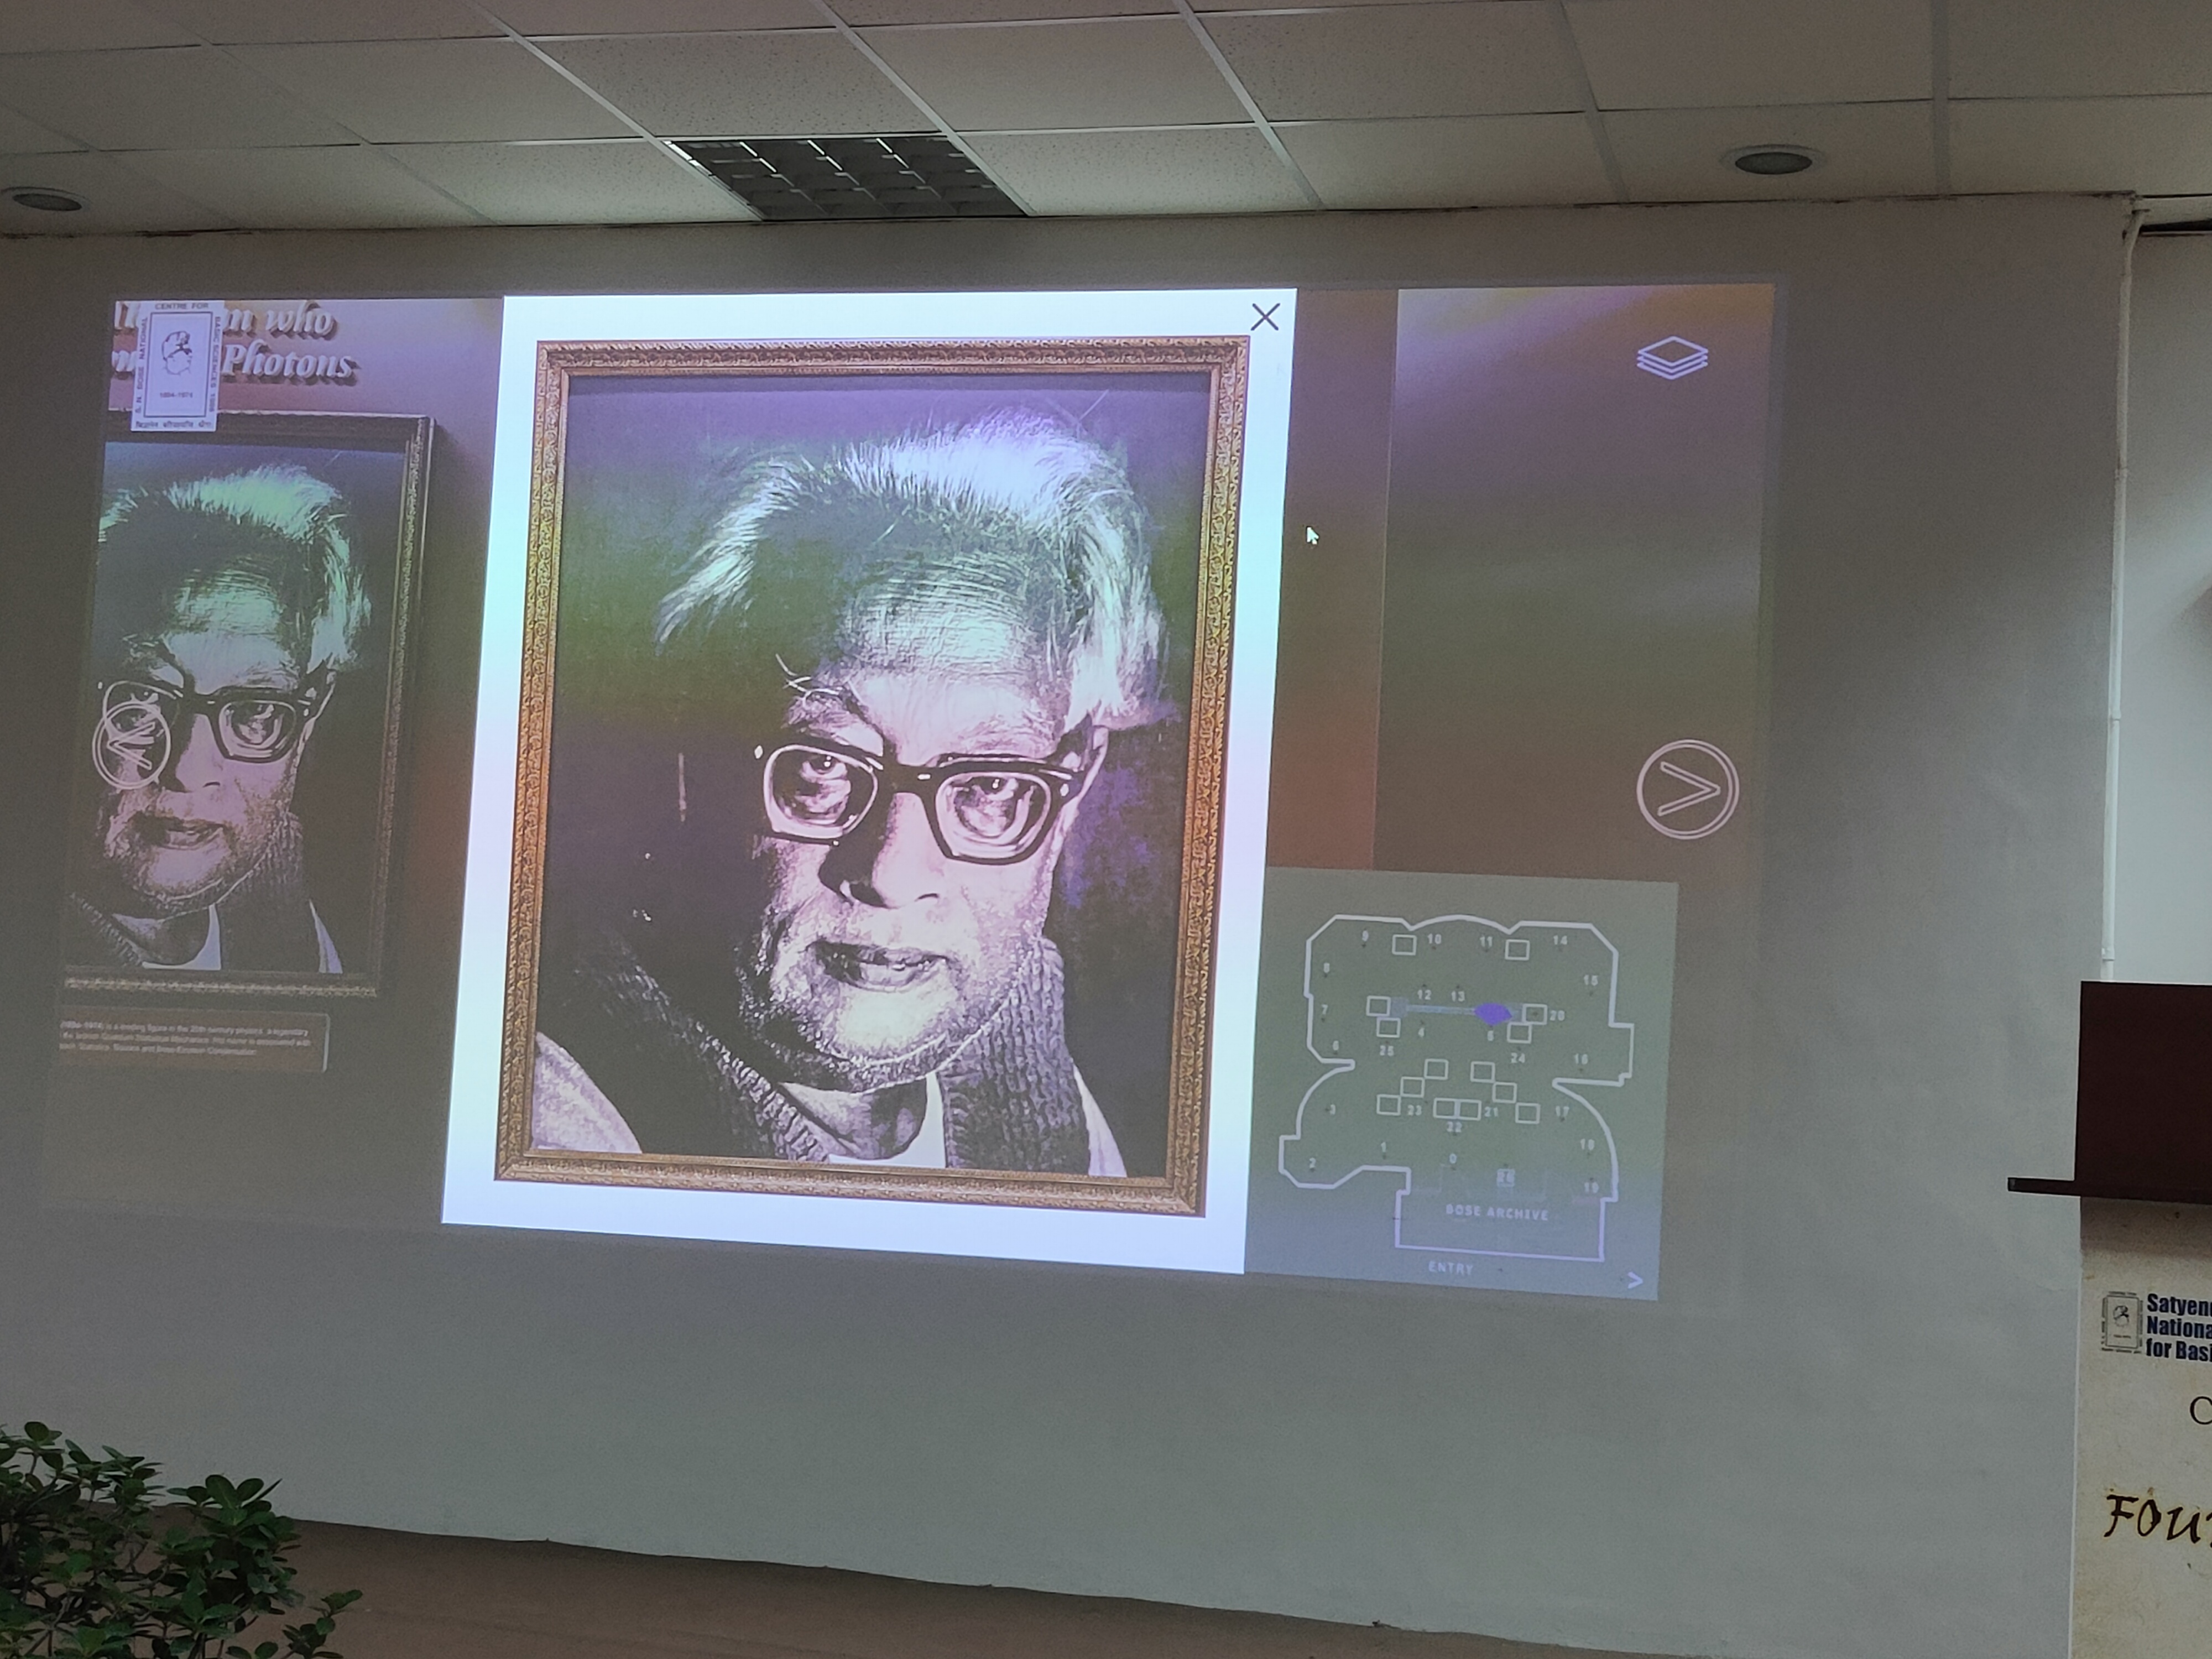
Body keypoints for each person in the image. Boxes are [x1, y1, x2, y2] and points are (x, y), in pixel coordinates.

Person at [530, 410, 1172, 1176]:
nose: (891, 874)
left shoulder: (1026, 1057)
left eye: (988, 783)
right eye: (823, 767)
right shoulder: (553, 1116)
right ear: (696, 755)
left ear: (1074, 787)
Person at [65, 465, 368, 975]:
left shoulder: (281, 902)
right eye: (144, 697)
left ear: (310, 717)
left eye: (254, 709)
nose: (188, 770)